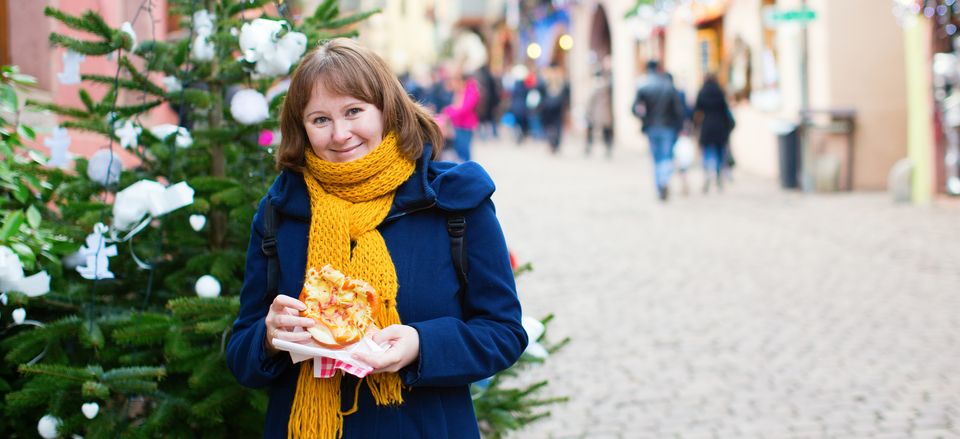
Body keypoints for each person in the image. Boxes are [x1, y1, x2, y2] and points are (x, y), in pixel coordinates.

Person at [226, 38, 527, 439]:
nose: (340, 134)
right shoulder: (281, 211)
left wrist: (421, 343)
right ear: (301, 127)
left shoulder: (453, 202)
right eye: (320, 120)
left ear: (386, 109)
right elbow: (242, 355)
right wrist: (268, 337)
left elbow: (504, 332)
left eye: (354, 111)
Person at [632, 60, 685, 201]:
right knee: (666, 157)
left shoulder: (643, 86)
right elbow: (678, 110)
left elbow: (634, 109)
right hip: (668, 128)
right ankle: (663, 181)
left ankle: (659, 186)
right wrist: (680, 126)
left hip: (651, 128)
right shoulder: (668, 86)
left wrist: (644, 119)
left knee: (656, 159)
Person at [693, 73, 736, 193]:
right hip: (720, 127)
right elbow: (725, 110)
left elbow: (696, 111)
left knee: (707, 152)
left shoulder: (702, 92)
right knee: (719, 152)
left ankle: (707, 173)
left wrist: (695, 126)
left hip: (706, 126)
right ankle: (717, 176)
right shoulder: (720, 92)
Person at [442, 68, 481, 162]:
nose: (454, 83)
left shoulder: (471, 90)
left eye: (456, 80)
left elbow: (465, 108)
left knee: (464, 151)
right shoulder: (459, 91)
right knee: (459, 150)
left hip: (466, 125)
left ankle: (468, 170)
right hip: (458, 124)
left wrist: (449, 111)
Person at [539, 65, 570, 154]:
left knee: (551, 126)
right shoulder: (559, 82)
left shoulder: (548, 82)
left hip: (551, 108)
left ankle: (553, 143)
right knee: (556, 126)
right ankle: (554, 144)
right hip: (554, 108)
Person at [585, 65, 614, 158]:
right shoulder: (606, 85)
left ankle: (589, 147)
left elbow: (590, 101)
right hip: (605, 112)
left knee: (591, 130)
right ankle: (608, 147)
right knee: (606, 131)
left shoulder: (594, 86)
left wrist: (588, 112)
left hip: (596, 113)